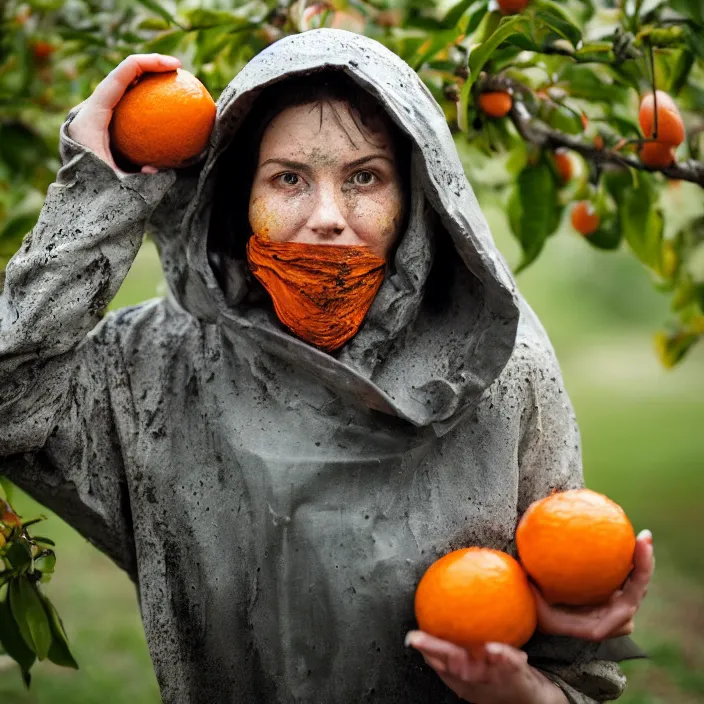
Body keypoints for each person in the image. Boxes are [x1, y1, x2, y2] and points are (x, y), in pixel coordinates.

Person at [0, 28, 653, 704]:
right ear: (236, 198)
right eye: (288, 178)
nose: (327, 218)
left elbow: (577, 679)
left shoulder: (500, 370)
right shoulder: (153, 367)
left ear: (419, 198)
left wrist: (518, 691)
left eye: (364, 176)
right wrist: (96, 192)